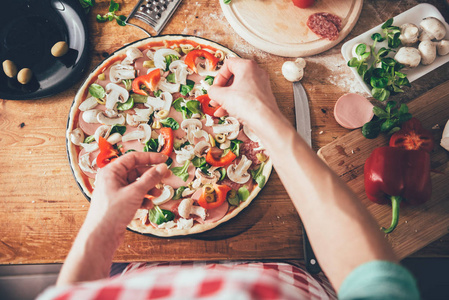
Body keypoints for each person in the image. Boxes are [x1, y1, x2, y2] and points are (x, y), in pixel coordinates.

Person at [38, 58, 419, 300]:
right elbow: (372, 277)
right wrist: (263, 115)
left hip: (149, 273)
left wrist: (104, 223)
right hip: (287, 276)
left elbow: (72, 294)